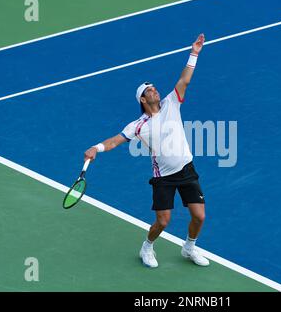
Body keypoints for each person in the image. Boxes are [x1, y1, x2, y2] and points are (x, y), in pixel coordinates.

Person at [84, 34, 209, 268]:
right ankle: (147, 247)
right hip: (164, 178)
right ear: (142, 98)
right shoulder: (138, 126)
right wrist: (96, 148)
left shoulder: (172, 102)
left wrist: (194, 53)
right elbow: (115, 141)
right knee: (163, 221)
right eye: (150, 90)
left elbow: (185, 80)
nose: (155, 91)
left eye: (155, 88)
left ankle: (189, 247)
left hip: (187, 169)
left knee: (199, 216)